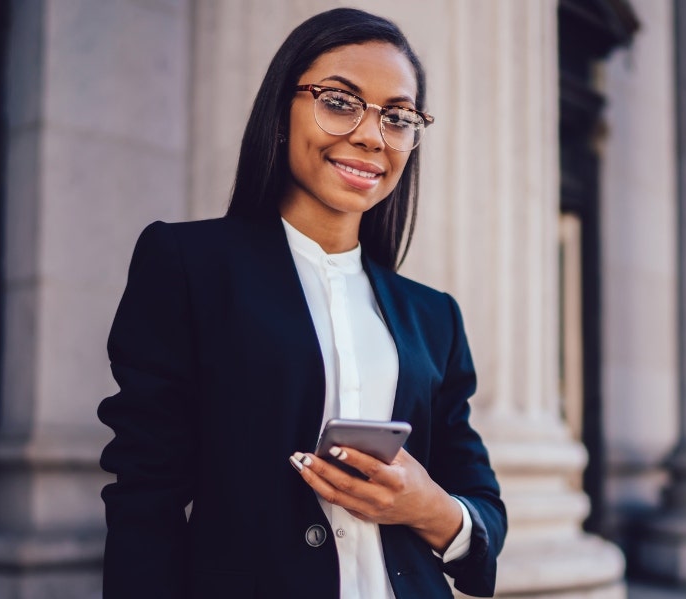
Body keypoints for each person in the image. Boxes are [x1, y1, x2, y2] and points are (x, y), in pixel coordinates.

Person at [97, 8, 506, 599]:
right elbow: (144, 495)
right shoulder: (188, 264)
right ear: (281, 113)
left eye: (398, 117)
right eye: (339, 101)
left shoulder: (433, 316)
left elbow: (482, 502)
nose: (372, 135)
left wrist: (431, 508)